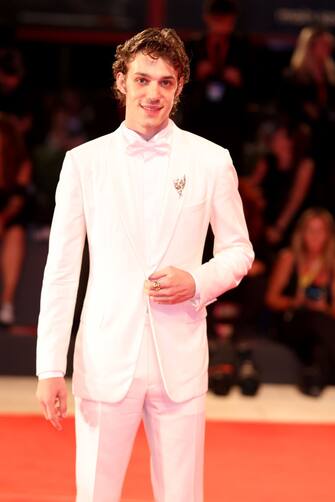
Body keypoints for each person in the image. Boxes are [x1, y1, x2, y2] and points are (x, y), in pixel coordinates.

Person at [36, 28, 253, 502]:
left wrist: (196, 279)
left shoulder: (212, 161)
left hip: (180, 358)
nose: (153, 93)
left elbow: (240, 251)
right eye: (142, 79)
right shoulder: (83, 163)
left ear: (179, 88)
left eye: (166, 82)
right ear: (121, 81)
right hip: (105, 356)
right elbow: (61, 270)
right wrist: (49, 366)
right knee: (95, 494)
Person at [266, 208, 335, 397]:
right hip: (293, 320)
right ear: (301, 233)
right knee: (315, 321)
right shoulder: (289, 258)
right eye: (310, 230)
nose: (315, 236)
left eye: (320, 231)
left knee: (320, 338)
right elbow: (271, 299)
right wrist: (295, 301)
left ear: (328, 235)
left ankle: (313, 379)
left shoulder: (331, 263)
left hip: (321, 324)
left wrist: (324, 307)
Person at [0, 112, 31, 325]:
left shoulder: (21, 164)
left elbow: (17, 202)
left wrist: (2, 219)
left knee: (17, 233)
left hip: (8, 217)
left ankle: (6, 304)